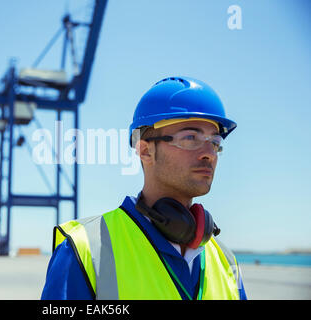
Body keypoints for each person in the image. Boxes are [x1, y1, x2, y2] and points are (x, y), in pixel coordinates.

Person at [41, 76, 247, 300]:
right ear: (145, 151)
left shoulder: (225, 260)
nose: (209, 153)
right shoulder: (85, 250)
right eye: (191, 137)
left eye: (215, 142)